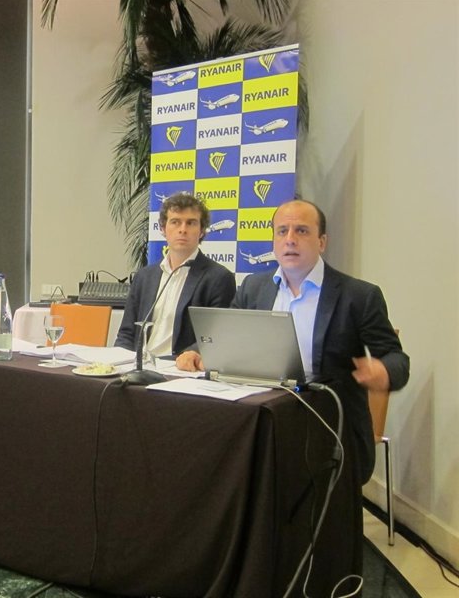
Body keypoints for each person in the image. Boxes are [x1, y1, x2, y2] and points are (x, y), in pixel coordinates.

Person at [176, 198, 409, 484]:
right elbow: (223, 334)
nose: (290, 239)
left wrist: (383, 371)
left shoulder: (358, 296)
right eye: (282, 231)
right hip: (263, 419)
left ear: (321, 241)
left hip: (328, 427)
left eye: (301, 231)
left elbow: (397, 360)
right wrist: (196, 351)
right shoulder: (254, 287)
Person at [115, 191, 236, 358]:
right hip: (138, 365)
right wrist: (117, 362)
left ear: (201, 231)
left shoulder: (218, 278)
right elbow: (126, 334)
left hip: (178, 368)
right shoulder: (144, 276)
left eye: (191, 223)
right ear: (163, 229)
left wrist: (190, 356)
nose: (183, 230)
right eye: (175, 222)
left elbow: (214, 338)